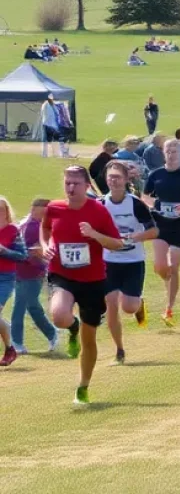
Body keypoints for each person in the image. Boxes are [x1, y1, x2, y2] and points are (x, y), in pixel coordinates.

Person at [43, 165, 127, 405]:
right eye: (67, 183)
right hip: (62, 275)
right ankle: (72, 327)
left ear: (87, 186)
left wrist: (94, 235)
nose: (70, 188)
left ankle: (83, 385)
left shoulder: (98, 211)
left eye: (75, 184)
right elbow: (45, 227)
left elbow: (117, 244)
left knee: (89, 340)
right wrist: (47, 244)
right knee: (59, 315)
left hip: (92, 281)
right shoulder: (54, 208)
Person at [101, 161, 158, 364]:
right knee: (111, 304)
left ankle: (139, 304)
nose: (113, 181)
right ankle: (119, 350)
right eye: (110, 177)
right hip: (109, 261)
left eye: (117, 177)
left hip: (133, 261)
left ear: (126, 179)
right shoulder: (101, 204)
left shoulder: (135, 204)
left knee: (129, 307)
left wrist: (134, 237)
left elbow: (154, 231)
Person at [142, 139, 180, 326]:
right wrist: (155, 204)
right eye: (168, 151)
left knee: (173, 266)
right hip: (160, 225)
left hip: (179, 227)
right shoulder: (156, 174)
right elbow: (145, 196)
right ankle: (168, 281)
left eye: (174, 151)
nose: (171, 154)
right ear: (163, 153)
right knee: (161, 267)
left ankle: (169, 308)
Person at [10, 198, 58, 355]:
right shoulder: (31, 226)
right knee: (30, 306)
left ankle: (17, 342)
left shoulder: (31, 224)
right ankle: (51, 334)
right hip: (25, 272)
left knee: (23, 307)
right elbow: (29, 251)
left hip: (30, 273)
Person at [0, 197, 28, 366]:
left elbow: (22, 255)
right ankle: (10, 349)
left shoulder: (13, 230)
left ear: (6, 212)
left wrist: (4, 251)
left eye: (0, 209)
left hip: (4, 278)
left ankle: (10, 349)